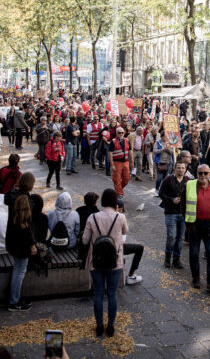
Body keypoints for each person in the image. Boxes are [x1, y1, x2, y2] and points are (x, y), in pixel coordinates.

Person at [82, 188, 128, 337]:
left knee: (98, 293)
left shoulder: (92, 217)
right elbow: (125, 232)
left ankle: (99, 325)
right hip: (115, 260)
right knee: (112, 293)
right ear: (115, 201)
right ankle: (111, 326)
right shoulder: (120, 217)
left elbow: (84, 240)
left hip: (97, 261)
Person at [181, 164, 210, 292]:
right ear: (197, 174)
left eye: (206, 173)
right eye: (200, 173)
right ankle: (196, 278)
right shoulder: (189, 185)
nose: (203, 175)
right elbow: (183, 206)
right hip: (194, 226)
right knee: (194, 253)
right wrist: (188, 223)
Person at [5, 195, 37, 311]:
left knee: (17, 271)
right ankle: (14, 301)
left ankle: (14, 299)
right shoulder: (25, 221)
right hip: (22, 250)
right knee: (19, 273)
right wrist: (33, 246)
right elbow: (28, 235)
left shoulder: (14, 217)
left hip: (14, 248)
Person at [159, 161, 188, 268]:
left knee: (180, 237)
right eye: (179, 168)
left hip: (183, 213)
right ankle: (167, 258)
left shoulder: (187, 180)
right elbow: (160, 193)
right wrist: (171, 200)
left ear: (185, 169)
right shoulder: (168, 179)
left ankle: (177, 258)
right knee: (171, 236)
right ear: (175, 169)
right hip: (171, 213)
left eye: (182, 168)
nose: (181, 170)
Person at [116, 199, 144, 285]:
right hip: (116, 247)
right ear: (120, 209)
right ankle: (131, 276)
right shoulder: (121, 217)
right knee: (140, 248)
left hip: (102, 246)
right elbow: (123, 236)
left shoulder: (99, 215)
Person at [109, 127, 134, 199]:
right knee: (117, 179)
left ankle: (118, 190)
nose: (121, 134)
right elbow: (110, 153)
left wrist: (132, 162)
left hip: (126, 162)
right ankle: (120, 194)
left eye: (122, 133)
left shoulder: (127, 140)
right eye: (119, 133)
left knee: (126, 178)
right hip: (117, 163)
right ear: (116, 133)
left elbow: (130, 151)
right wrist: (112, 165)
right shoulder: (113, 141)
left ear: (124, 133)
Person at [153, 131, 173, 196]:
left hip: (168, 163)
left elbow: (174, 152)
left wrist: (169, 150)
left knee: (166, 178)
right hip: (159, 163)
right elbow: (154, 151)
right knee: (159, 177)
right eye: (165, 136)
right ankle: (157, 189)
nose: (166, 138)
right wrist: (162, 150)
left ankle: (163, 190)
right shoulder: (157, 142)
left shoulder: (170, 143)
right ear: (162, 137)